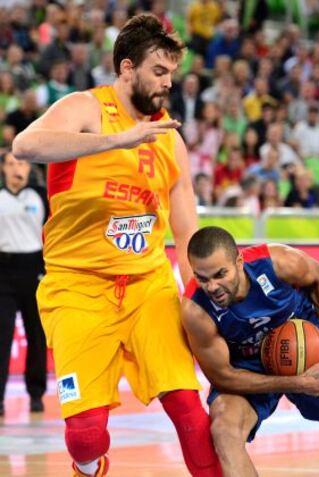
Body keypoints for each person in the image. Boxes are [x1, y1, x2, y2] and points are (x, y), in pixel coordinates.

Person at [12, 14, 221, 477]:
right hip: (77, 288)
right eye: (158, 72)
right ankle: (92, 464)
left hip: (148, 287)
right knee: (85, 438)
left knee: (189, 411)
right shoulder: (86, 107)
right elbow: (26, 146)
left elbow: (186, 232)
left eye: (172, 73)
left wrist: (199, 297)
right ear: (128, 68)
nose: (168, 83)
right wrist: (117, 141)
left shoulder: (171, 141)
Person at [182, 226, 319, 477]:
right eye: (202, 278)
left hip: (303, 348)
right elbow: (224, 376)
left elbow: (317, 275)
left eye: (220, 274)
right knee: (224, 429)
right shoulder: (196, 311)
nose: (212, 286)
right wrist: (296, 383)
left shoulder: (277, 263)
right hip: (246, 365)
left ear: (239, 261)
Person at [0, 150, 48, 415]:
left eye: (20, 163)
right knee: (2, 336)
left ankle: (36, 394)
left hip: (33, 270)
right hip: (4, 271)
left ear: (29, 167)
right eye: (10, 164)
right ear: (3, 169)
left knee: (36, 335)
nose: (15, 168)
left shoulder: (40, 197)